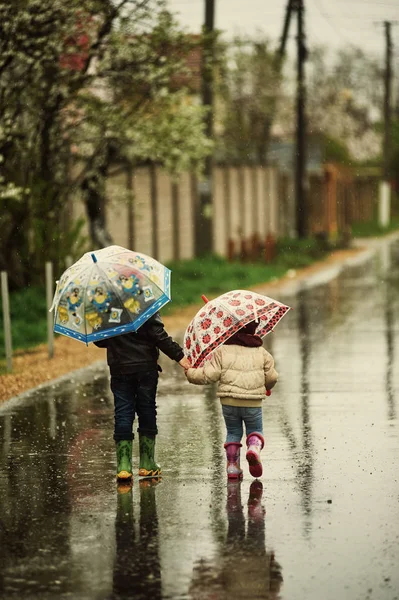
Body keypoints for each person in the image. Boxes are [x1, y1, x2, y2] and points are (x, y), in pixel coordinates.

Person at [94, 312, 190, 480]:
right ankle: (147, 463)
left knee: (123, 412)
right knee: (147, 410)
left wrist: (116, 338)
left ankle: (124, 467)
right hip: (145, 366)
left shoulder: (107, 308)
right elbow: (158, 335)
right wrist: (179, 356)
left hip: (119, 367)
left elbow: (100, 340)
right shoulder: (144, 302)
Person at [185, 320, 278, 479]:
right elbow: (272, 377)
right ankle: (254, 448)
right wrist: (267, 386)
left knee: (233, 432)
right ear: (254, 330)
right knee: (255, 430)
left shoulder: (221, 351)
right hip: (253, 402)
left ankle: (233, 468)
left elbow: (209, 375)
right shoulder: (262, 353)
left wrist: (190, 373)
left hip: (228, 402)